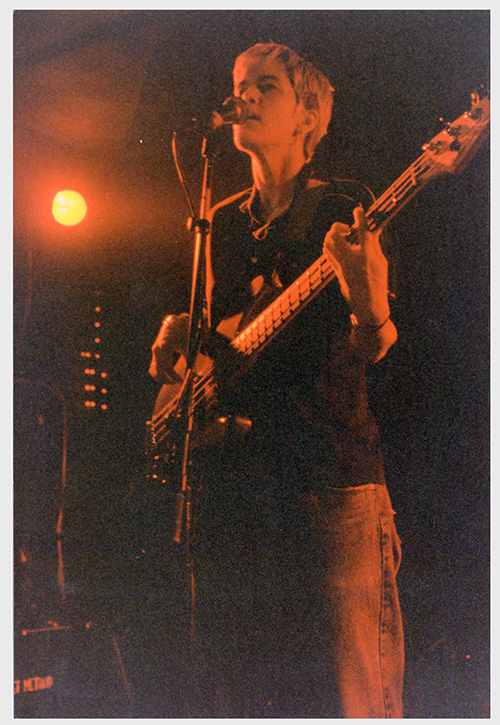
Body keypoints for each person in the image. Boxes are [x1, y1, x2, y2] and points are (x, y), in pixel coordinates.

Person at [149, 42, 404, 718]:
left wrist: (368, 301)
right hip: (240, 486)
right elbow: (213, 339)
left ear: (308, 115)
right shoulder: (221, 222)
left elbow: (377, 342)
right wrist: (178, 352)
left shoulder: (344, 206)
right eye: (240, 85)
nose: (245, 97)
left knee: (351, 695)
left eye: (266, 87)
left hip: (330, 480)